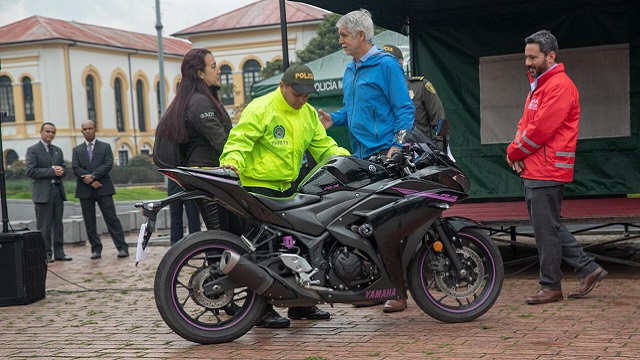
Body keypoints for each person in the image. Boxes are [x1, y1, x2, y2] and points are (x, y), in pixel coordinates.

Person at [219, 64, 350, 328]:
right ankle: (261, 311)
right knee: (261, 251)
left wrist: (349, 162)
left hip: (288, 188)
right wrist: (232, 161)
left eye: (306, 95)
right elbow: (239, 140)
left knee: (294, 244)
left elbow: (324, 147)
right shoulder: (261, 108)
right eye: (296, 94)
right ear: (282, 86)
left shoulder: (308, 114)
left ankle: (300, 305)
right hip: (257, 189)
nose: (301, 99)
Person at [506, 30, 607, 305]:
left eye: (533, 57)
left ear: (551, 56)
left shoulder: (559, 86)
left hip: (547, 169)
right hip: (538, 167)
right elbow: (525, 123)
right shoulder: (539, 84)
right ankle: (586, 270)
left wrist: (513, 151)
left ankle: (553, 285)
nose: (527, 62)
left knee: (546, 228)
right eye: (525, 57)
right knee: (547, 227)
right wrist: (516, 151)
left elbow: (540, 130)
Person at [155, 48, 240, 234]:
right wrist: (240, 160)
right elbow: (220, 139)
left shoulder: (200, 98)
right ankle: (217, 262)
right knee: (223, 237)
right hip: (209, 174)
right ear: (200, 73)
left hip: (210, 174)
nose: (218, 71)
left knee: (227, 234)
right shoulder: (199, 102)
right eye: (214, 66)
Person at [318, 9, 414, 161]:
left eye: (344, 35)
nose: (340, 41)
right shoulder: (350, 69)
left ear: (361, 35)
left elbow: (405, 109)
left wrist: (397, 147)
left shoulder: (387, 65)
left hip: (386, 153)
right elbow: (355, 109)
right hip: (360, 155)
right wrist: (333, 118)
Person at [71, 120, 129, 259]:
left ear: (95, 129)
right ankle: (95, 249)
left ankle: (122, 248)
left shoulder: (105, 147)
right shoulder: (77, 150)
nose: (88, 131)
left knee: (112, 219)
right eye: (85, 129)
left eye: (90, 128)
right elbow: (75, 167)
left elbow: (108, 164)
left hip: (103, 188)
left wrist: (94, 176)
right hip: (85, 190)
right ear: (81, 132)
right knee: (89, 221)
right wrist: (90, 181)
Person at [381, 44, 452, 157]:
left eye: (390, 61)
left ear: (401, 62)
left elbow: (440, 121)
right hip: (388, 155)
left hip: (421, 154)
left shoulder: (419, 87)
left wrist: (438, 153)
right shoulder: (377, 93)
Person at [25, 122, 71, 263]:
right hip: (43, 193)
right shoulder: (33, 150)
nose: (50, 134)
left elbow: (63, 168)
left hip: (57, 191)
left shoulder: (57, 150)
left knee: (58, 224)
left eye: (53, 132)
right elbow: (30, 171)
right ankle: (45, 253)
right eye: (48, 131)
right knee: (44, 226)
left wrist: (62, 171)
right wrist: (52, 171)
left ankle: (59, 252)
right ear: (41, 132)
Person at [168, 180, 201, 246]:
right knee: (175, 216)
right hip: (174, 182)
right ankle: (176, 245)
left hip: (189, 182)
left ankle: (195, 243)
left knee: (193, 215)